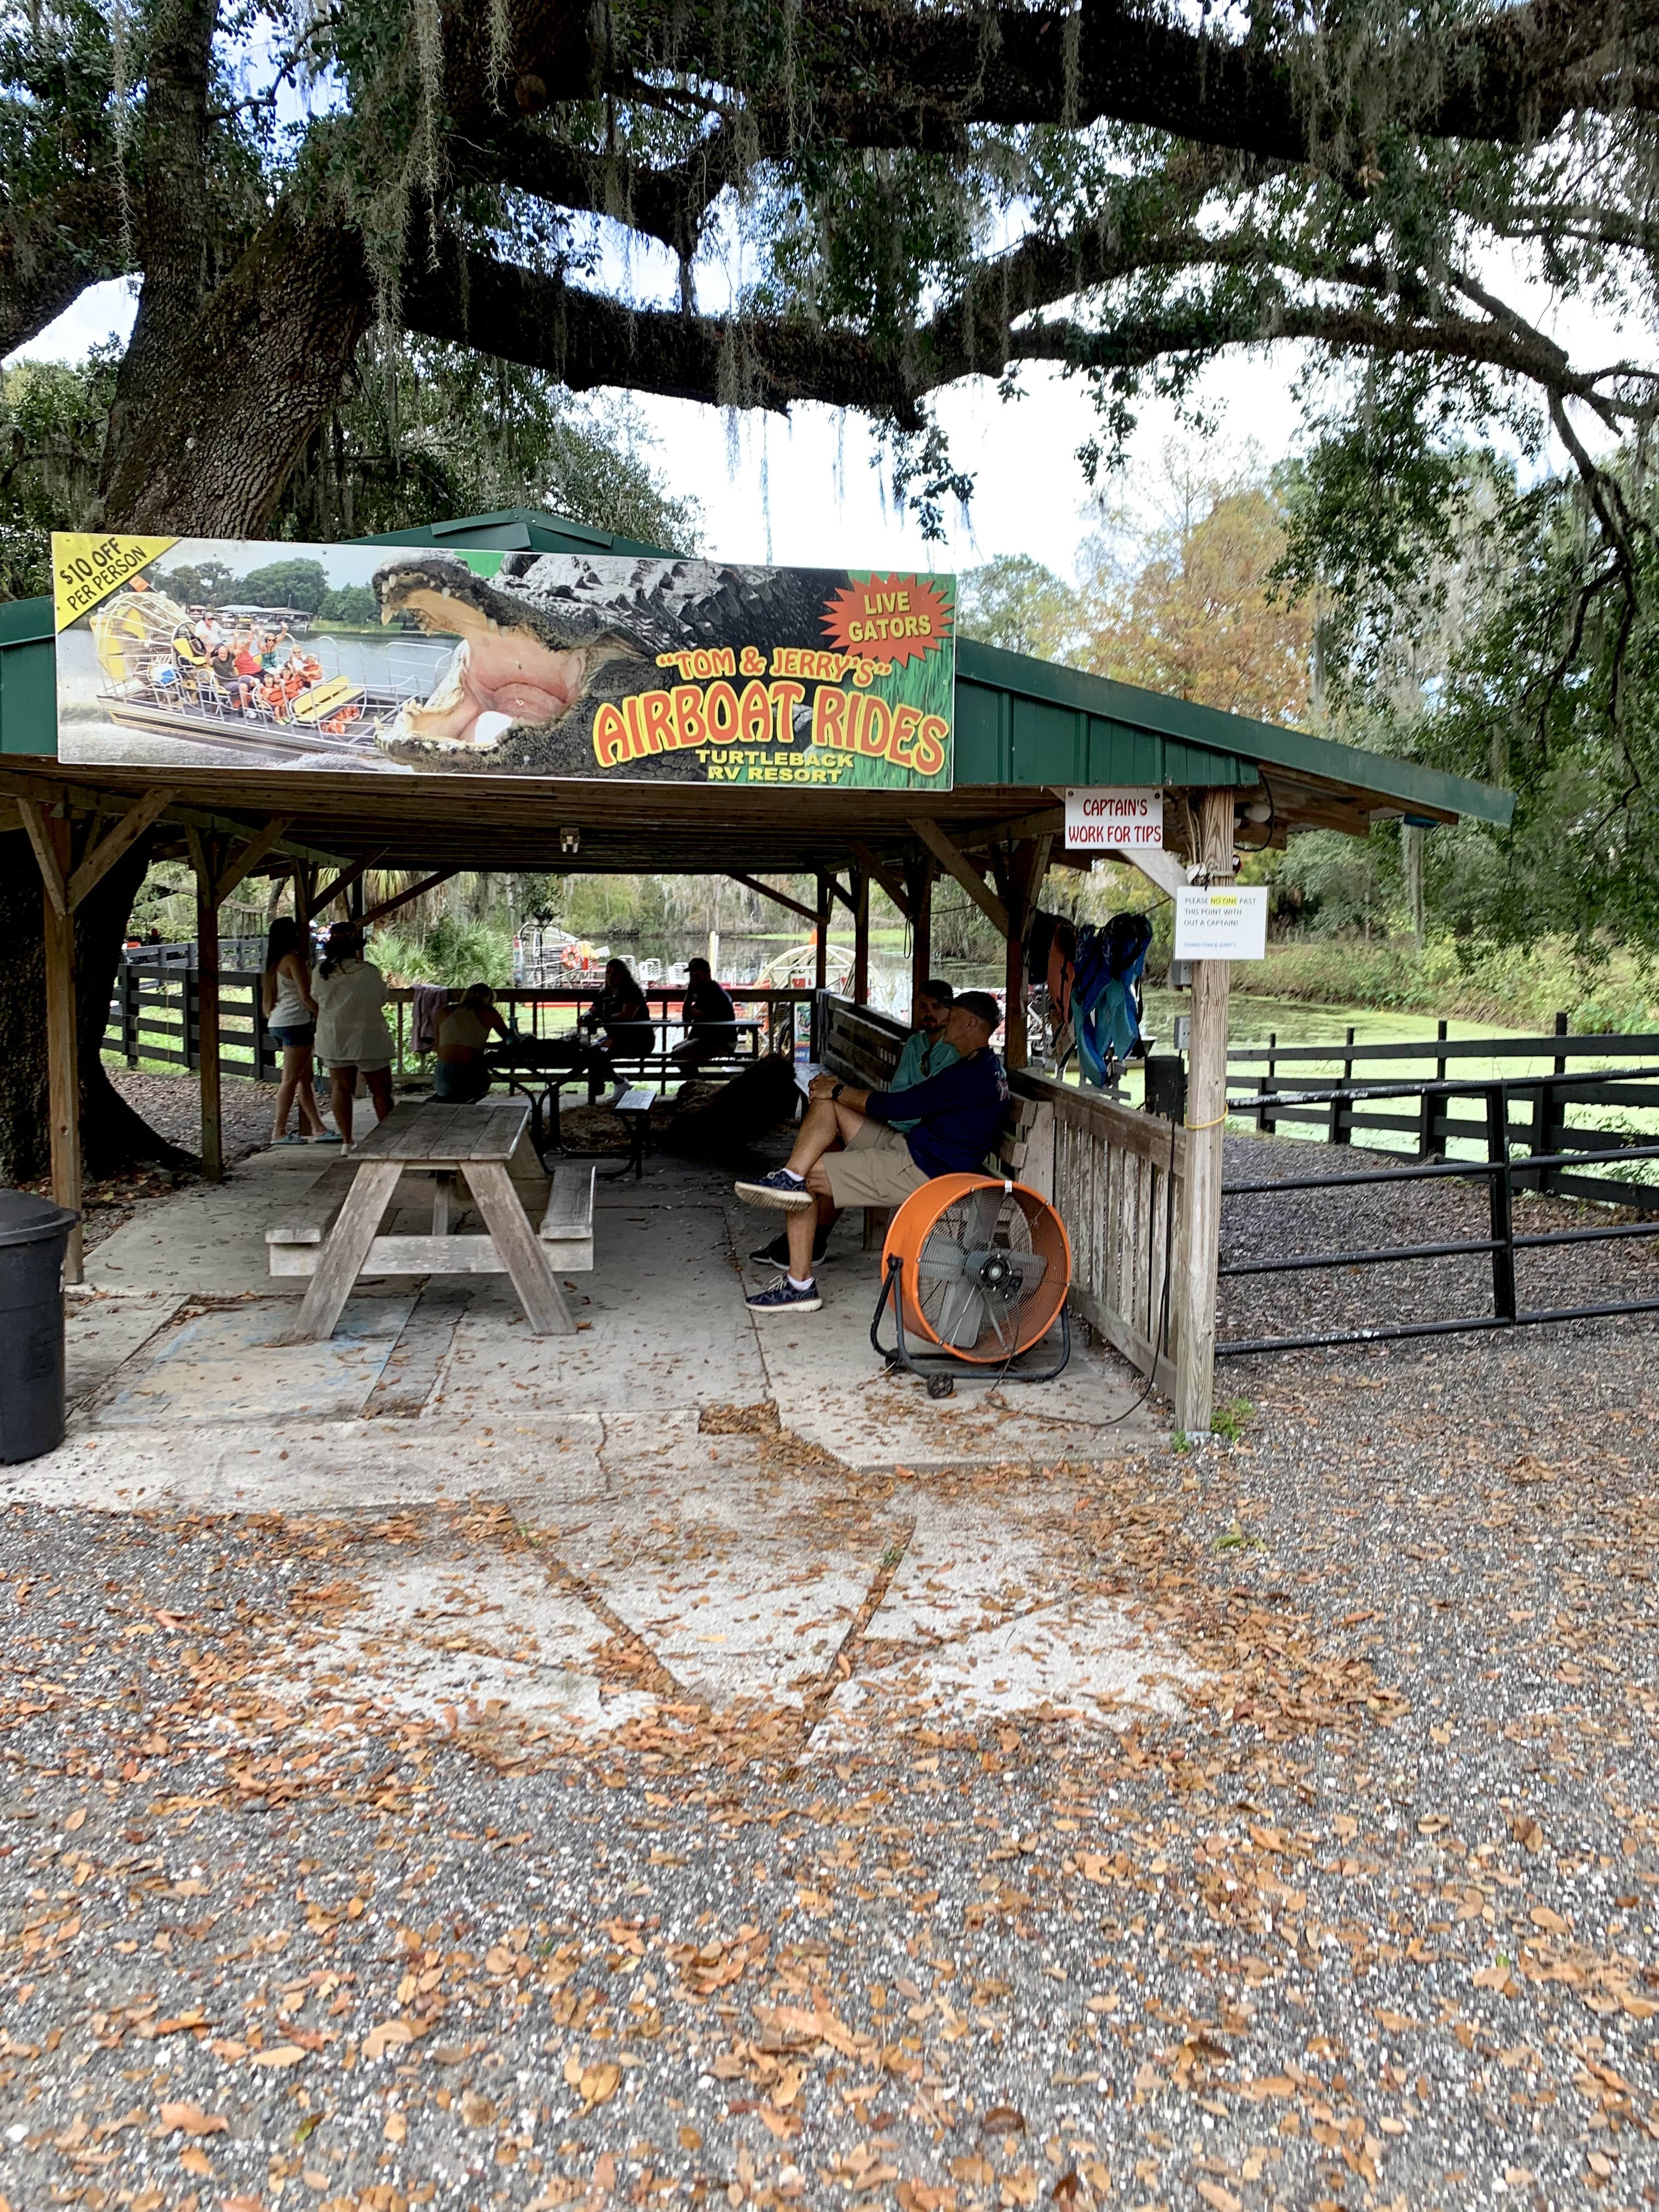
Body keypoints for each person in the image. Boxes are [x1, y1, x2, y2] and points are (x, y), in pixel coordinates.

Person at [734, 991, 1008, 1312]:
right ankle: (789, 1175)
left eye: (954, 1015)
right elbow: (904, 1105)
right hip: (913, 1150)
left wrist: (839, 1088)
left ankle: (799, 1286)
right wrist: (834, 1093)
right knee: (828, 1105)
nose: (946, 1020)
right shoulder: (983, 1065)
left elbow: (898, 1107)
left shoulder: (970, 1077)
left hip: (921, 1171)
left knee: (810, 1178)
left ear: (971, 1024)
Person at [746, 976, 958, 1273]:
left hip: (920, 1149)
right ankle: (792, 1181)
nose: (929, 1013)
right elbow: (900, 1096)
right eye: (922, 1006)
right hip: (900, 1129)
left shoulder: (956, 1052)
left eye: (937, 1007)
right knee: (826, 1109)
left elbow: (914, 1105)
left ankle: (808, 1252)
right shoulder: (916, 1044)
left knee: (824, 1155)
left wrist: (852, 1095)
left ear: (952, 1012)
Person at [312, 922, 396, 1147]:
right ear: (356, 948)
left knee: (340, 1089)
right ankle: (388, 1141)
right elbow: (381, 998)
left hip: (334, 1036)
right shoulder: (368, 972)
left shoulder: (321, 973)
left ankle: (347, 1141)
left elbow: (316, 998)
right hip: (369, 1036)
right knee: (381, 1090)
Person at [262, 918, 331, 1146]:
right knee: (291, 1079)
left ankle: (319, 1128)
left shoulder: (275, 962)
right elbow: (306, 996)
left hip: (279, 1021)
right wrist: (324, 1016)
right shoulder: (294, 960)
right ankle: (279, 1131)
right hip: (295, 1022)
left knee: (304, 1078)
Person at [580, 959, 654, 1103]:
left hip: (638, 1040)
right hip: (616, 1038)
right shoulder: (604, 993)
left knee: (598, 1054)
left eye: (615, 974)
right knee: (592, 1052)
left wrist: (604, 1017)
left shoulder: (632, 992)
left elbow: (627, 1015)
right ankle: (616, 1084)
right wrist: (585, 1017)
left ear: (623, 975)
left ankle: (614, 1085)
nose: (610, 977)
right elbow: (593, 1010)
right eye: (608, 973)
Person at [433, 981, 509, 1102]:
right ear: (489, 999)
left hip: (444, 1076)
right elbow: (509, 1040)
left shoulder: (445, 1011)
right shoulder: (489, 1012)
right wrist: (490, 1045)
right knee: (478, 1088)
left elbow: (437, 1045)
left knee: (450, 1098)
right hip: (473, 1075)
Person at [671, 956, 738, 1071]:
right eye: (691, 976)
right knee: (676, 1049)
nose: (694, 980)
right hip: (711, 1039)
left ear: (707, 976)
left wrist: (690, 992)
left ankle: (697, 1080)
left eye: (698, 976)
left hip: (722, 1042)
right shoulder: (708, 989)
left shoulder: (711, 993)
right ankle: (696, 1078)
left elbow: (687, 1015)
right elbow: (687, 1017)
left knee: (677, 1054)